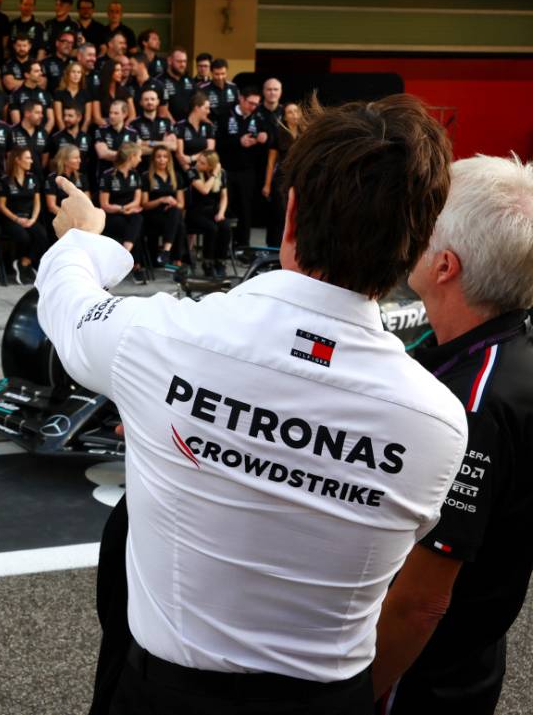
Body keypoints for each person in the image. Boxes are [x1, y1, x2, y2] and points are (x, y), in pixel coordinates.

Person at [45, 94, 466, 715]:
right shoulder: (439, 421)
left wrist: (85, 239)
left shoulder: (160, 337)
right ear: (419, 243)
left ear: (290, 215)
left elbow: (67, 301)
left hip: (166, 696)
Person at [372, 155, 533, 714]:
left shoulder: (473, 407)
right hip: (468, 662)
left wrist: (355, 696)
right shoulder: (503, 350)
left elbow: (421, 603)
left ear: (444, 266)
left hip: (416, 676)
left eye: (424, 223)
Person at [216, 85, 267, 247]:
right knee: (225, 207)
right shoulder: (225, 115)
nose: (253, 107)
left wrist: (264, 137)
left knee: (245, 208)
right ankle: (222, 247)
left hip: (247, 171)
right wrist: (238, 141)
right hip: (227, 170)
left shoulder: (259, 117)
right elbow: (218, 143)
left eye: (256, 104)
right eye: (250, 103)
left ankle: (243, 245)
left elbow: (269, 137)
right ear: (241, 99)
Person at [0, 145, 48, 284]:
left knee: (42, 235)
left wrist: (33, 219)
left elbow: (37, 202)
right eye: (28, 158)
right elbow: (2, 205)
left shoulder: (33, 178)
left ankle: (24, 263)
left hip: (29, 218)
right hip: (11, 219)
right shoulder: (5, 180)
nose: (31, 161)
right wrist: (16, 219)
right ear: (17, 160)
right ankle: (19, 264)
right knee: (23, 236)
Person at [97, 142, 144, 271]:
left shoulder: (135, 174)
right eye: (139, 156)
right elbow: (104, 205)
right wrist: (122, 209)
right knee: (135, 226)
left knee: (137, 220)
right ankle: (134, 263)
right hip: (111, 216)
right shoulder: (108, 175)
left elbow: (137, 201)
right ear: (131, 157)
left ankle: (124, 255)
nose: (140, 159)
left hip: (130, 214)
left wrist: (127, 209)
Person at [185, 149, 232, 278]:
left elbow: (224, 197)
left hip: (214, 210)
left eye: (202, 163)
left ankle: (220, 262)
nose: (198, 164)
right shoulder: (192, 172)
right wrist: (214, 175)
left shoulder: (222, 173)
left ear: (210, 166)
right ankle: (207, 262)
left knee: (225, 227)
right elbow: (204, 190)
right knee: (212, 228)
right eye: (198, 161)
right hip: (196, 211)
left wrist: (221, 213)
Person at [264, 101, 303, 248]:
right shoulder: (278, 132)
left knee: (296, 212)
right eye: (290, 112)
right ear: (285, 117)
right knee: (280, 212)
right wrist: (267, 184)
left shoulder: (305, 132)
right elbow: (271, 161)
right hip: (281, 178)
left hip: (299, 178)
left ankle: (294, 245)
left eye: (296, 111)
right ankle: (274, 245)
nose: (294, 115)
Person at [141, 145, 184, 266]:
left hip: (171, 215)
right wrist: (161, 200)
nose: (162, 160)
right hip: (153, 216)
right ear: (153, 159)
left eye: (165, 157)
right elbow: (144, 204)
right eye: (158, 157)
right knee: (179, 224)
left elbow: (181, 204)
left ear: (169, 159)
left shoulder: (176, 176)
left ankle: (166, 252)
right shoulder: (146, 176)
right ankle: (176, 261)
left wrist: (174, 203)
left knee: (176, 213)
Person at [174, 92, 217, 173]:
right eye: (206, 108)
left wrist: (192, 158)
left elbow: (210, 151)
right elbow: (180, 155)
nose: (209, 111)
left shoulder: (208, 126)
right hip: (185, 171)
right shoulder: (180, 126)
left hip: (205, 170)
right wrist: (191, 174)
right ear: (197, 108)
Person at [53, 61, 92, 133]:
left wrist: (80, 136)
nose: (76, 75)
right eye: (73, 72)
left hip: (81, 132)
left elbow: (87, 119)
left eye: (79, 72)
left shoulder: (86, 94)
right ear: (68, 74)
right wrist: (66, 135)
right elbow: (59, 118)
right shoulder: (59, 93)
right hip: (63, 132)